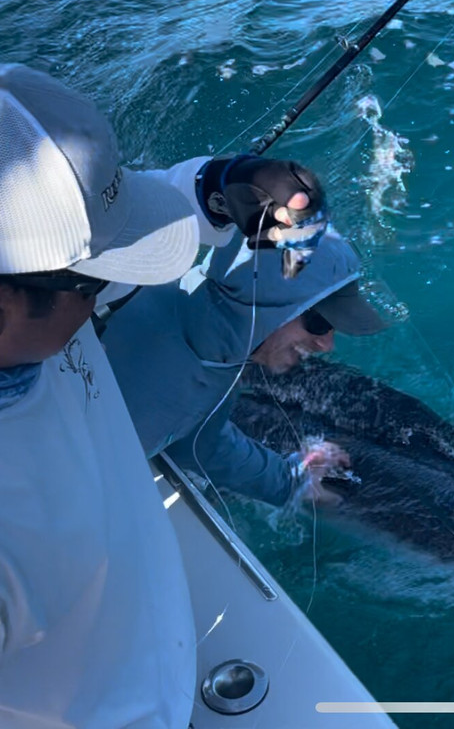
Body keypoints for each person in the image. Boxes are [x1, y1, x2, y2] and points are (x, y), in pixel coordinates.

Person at [0, 63, 332, 728]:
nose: (111, 295)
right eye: (95, 286)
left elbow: (106, 226)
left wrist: (223, 186)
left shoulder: (34, 303)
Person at [104, 228, 387, 507]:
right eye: (320, 324)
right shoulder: (136, 342)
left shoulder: (219, 361)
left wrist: (290, 480)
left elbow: (200, 445)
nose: (326, 344)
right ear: (266, 300)